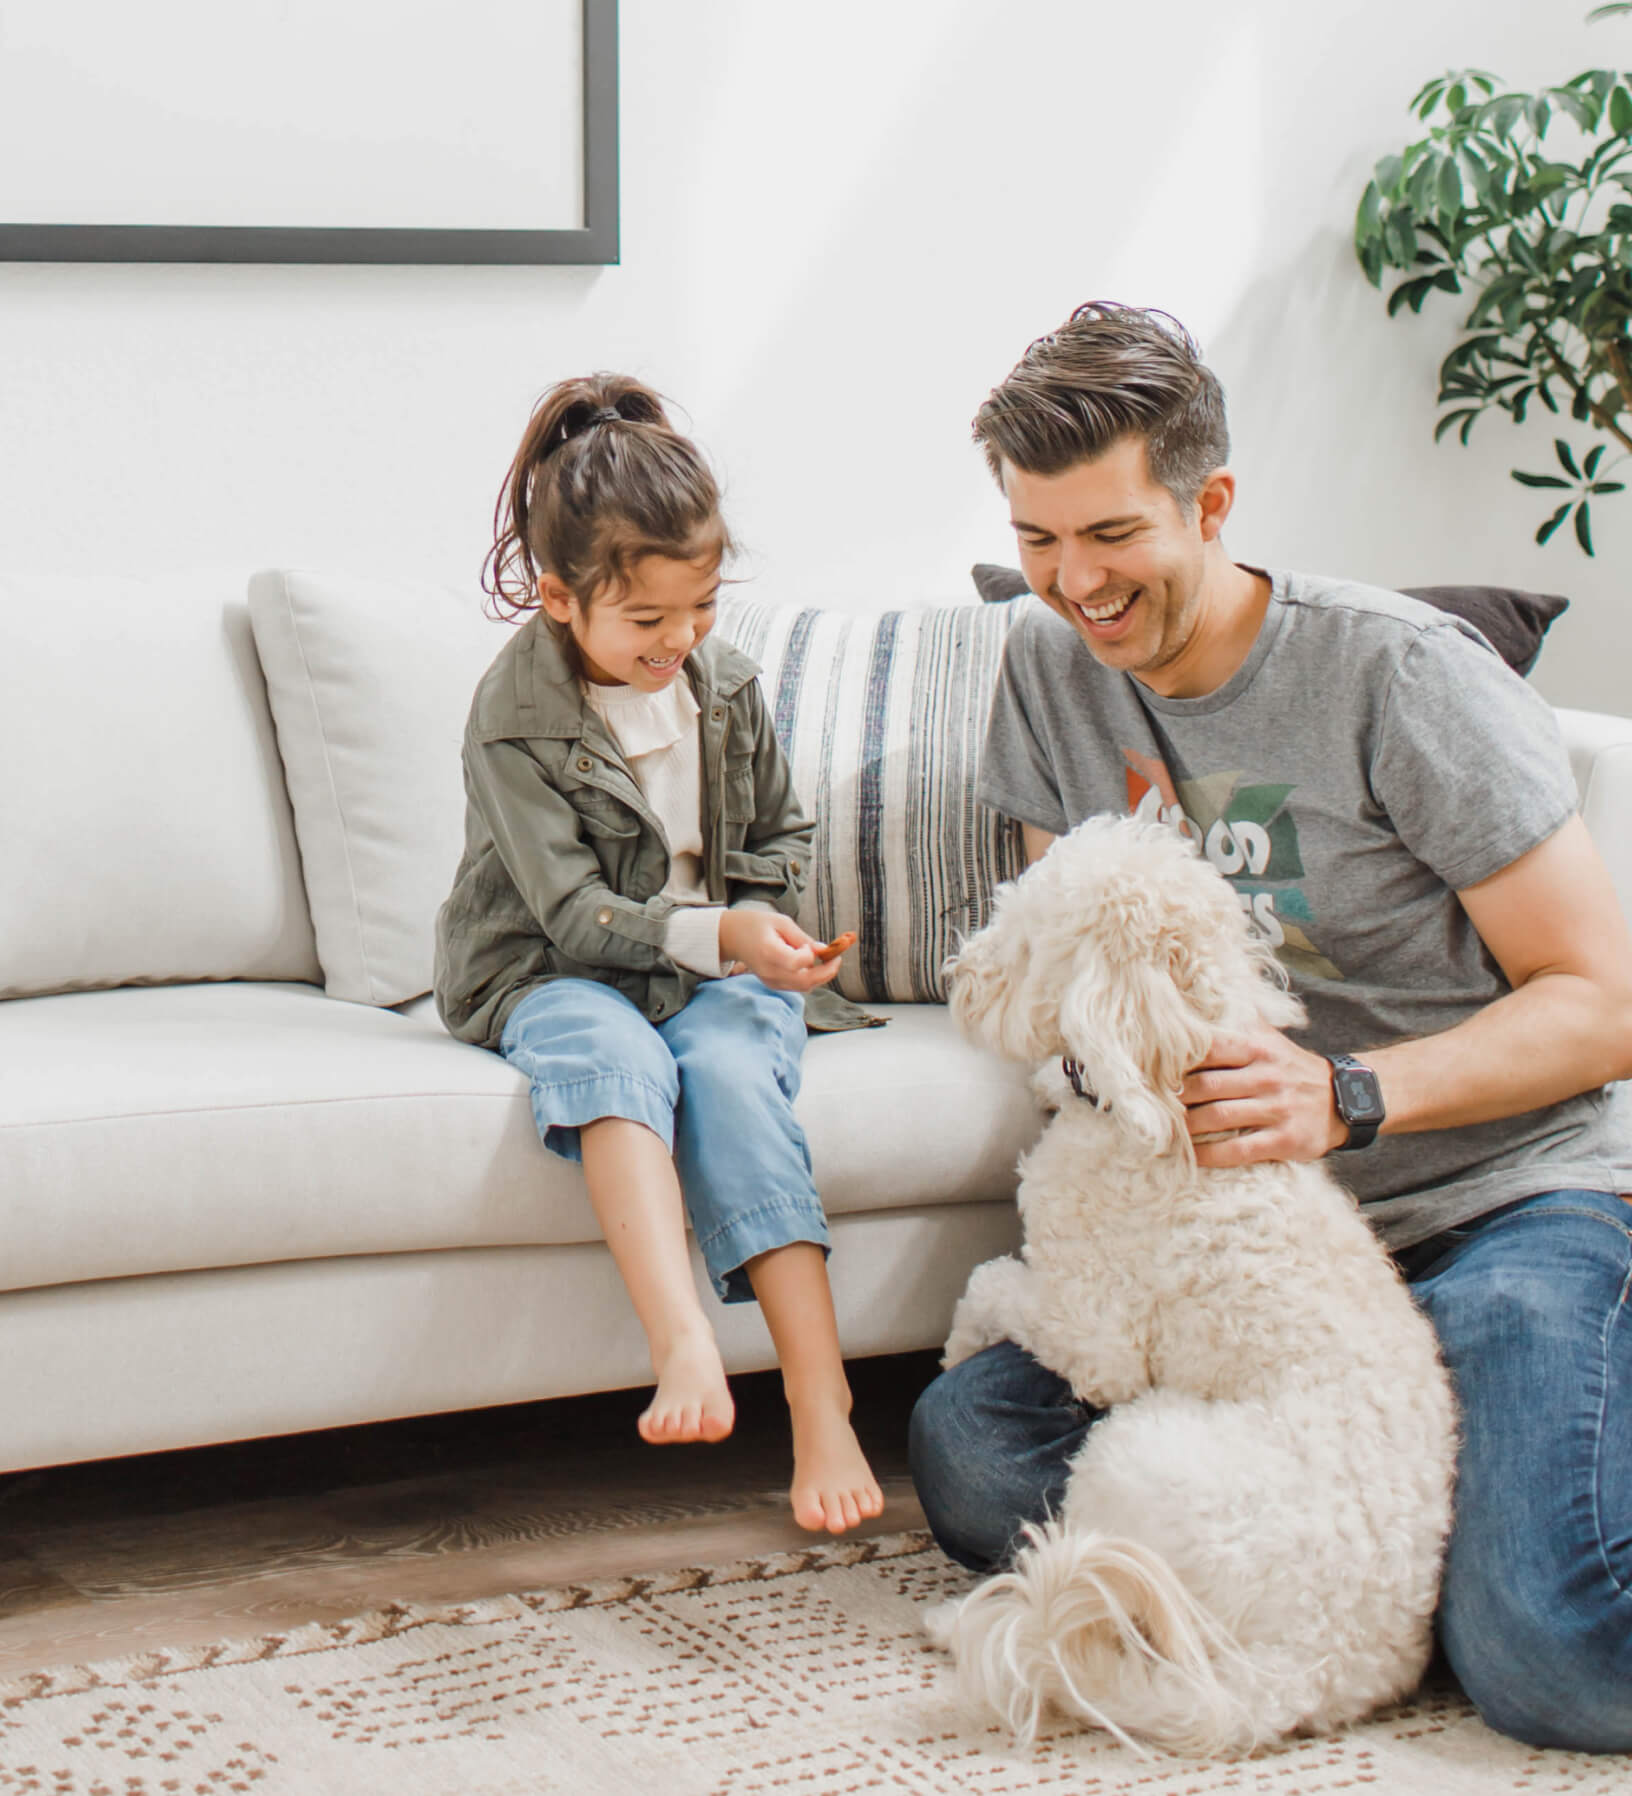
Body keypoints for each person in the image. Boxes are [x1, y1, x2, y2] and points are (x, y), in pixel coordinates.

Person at [908, 302, 1632, 1750]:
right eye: (1038, 539)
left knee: (1554, 1659)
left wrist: (1348, 1097)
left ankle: (1469, 1538)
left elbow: (1605, 1001)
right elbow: (1064, 965)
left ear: (1211, 503)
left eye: (1110, 535)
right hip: (1241, 1257)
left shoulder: (1401, 678)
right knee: (974, 1457)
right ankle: (1404, 1543)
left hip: (1490, 1203)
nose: (1073, 584)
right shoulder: (1051, 670)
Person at [435, 373, 885, 1535]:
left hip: (717, 967)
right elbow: (574, 913)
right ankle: (683, 1341)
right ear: (556, 598)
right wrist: (715, 931)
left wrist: (763, 925)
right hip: (557, 963)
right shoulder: (511, 720)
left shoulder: (722, 685)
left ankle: (821, 1396)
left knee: (733, 1073)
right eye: (648, 621)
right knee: (607, 1050)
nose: (679, 641)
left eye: (701, 608)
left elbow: (782, 830)